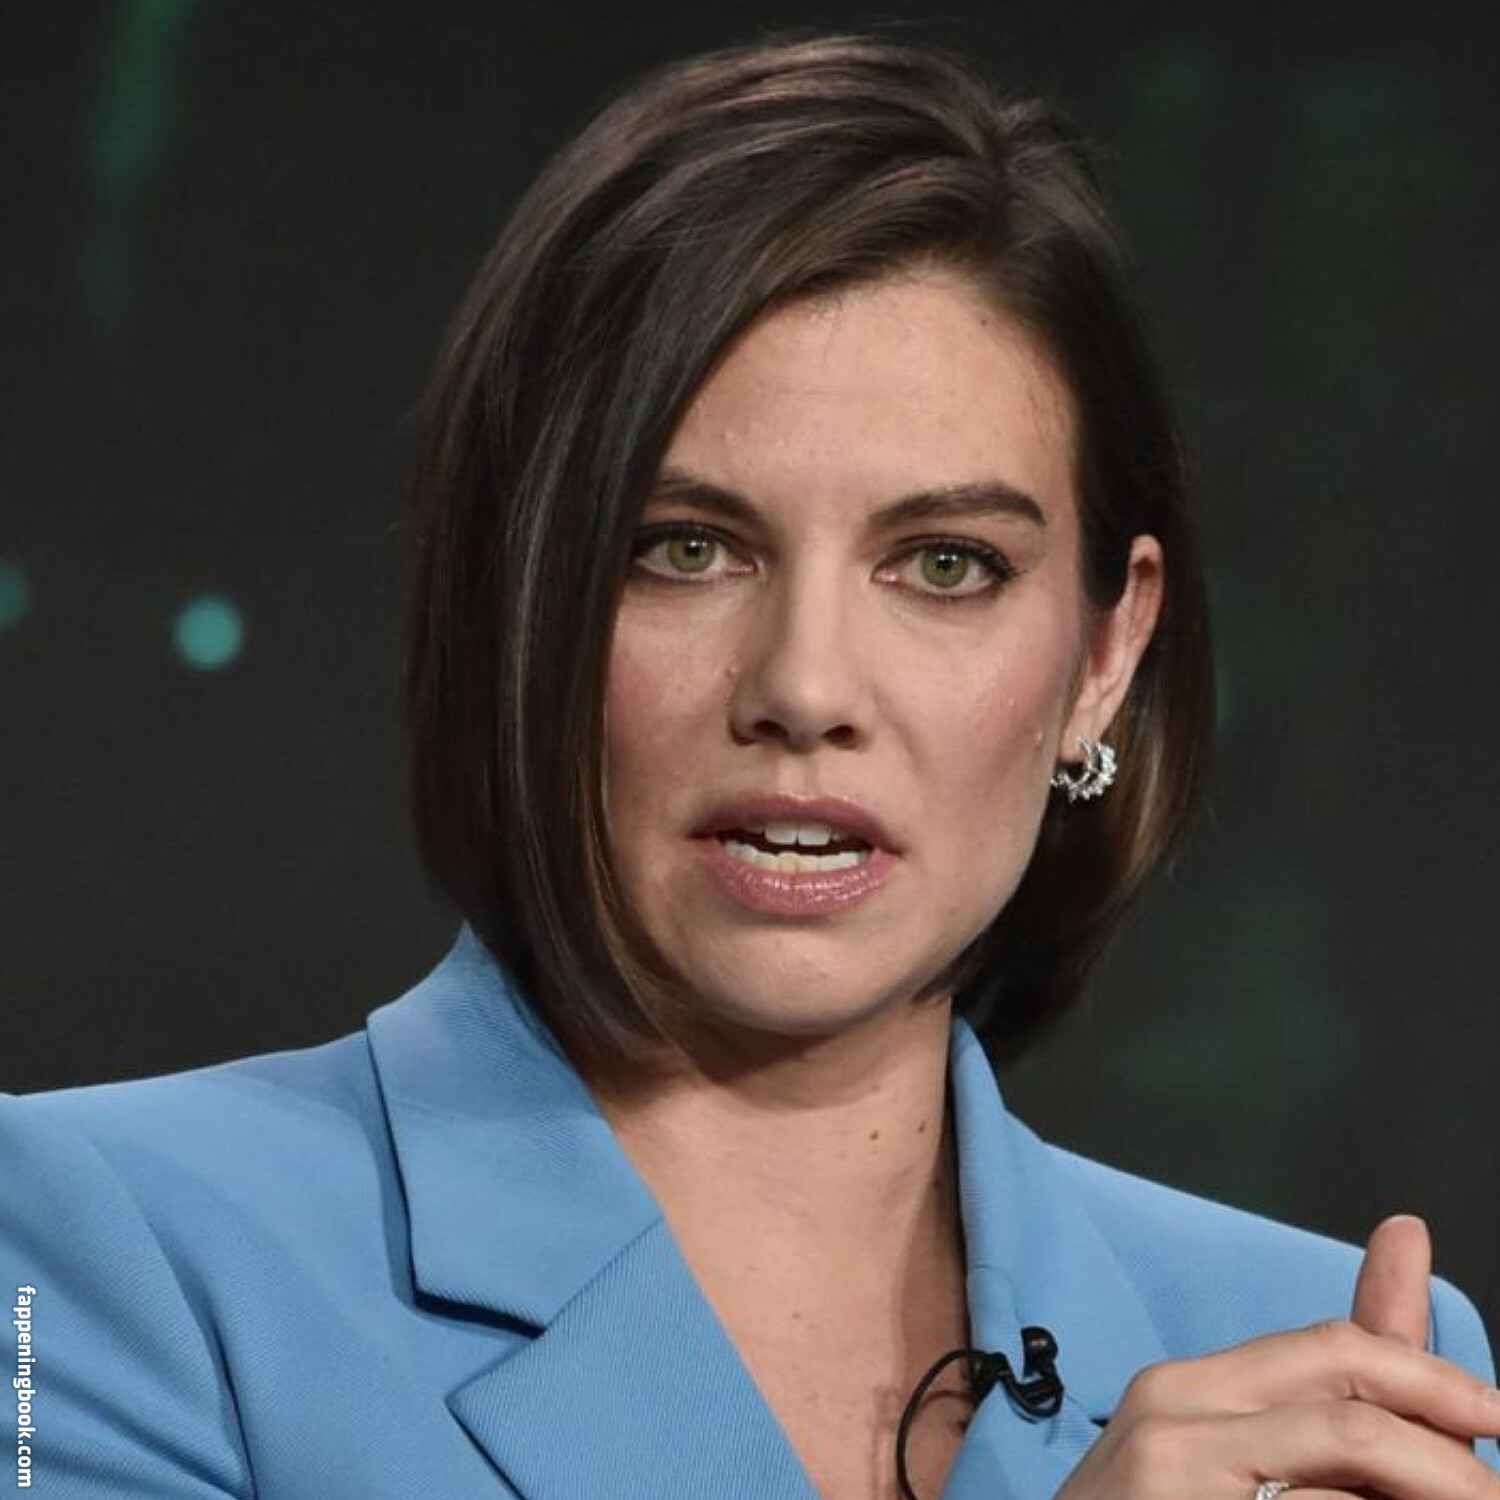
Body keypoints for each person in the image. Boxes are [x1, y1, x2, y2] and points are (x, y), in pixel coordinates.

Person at [2, 29, 1497, 1500]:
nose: (805, 689)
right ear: (521, 602)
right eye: (687, 549)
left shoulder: (1348, 1366)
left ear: (1105, 656)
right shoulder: (97, 1249)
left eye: (947, 563)